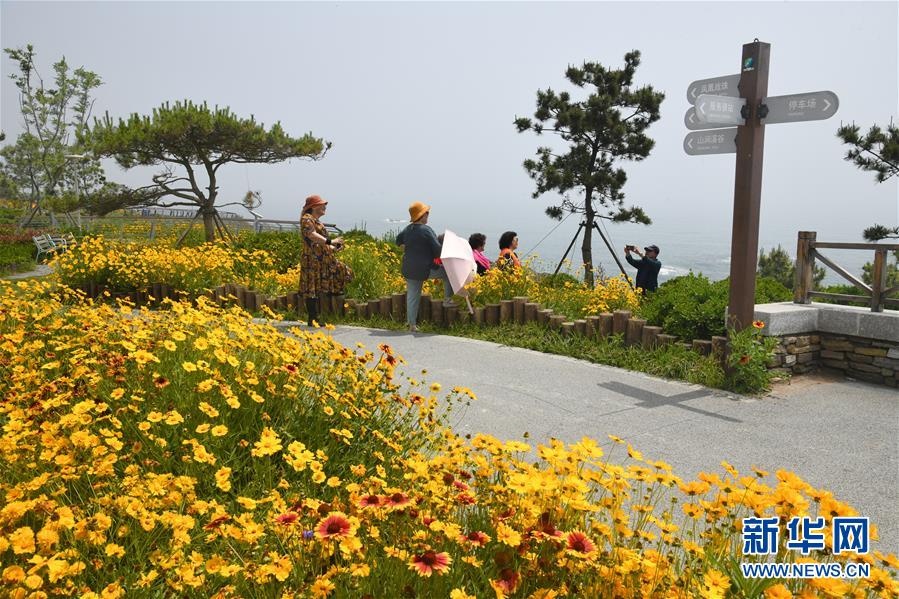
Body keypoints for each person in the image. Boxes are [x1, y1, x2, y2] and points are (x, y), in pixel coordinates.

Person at [396, 201, 454, 332]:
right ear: (421, 215)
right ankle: (447, 299)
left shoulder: (408, 229)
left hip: (408, 268)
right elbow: (437, 251)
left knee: (412, 296)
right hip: (424, 269)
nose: (428, 215)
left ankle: (412, 325)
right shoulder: (426, 230)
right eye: (427, 213)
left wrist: (406, 248)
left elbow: (398, 240)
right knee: (447, 273)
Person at [299, 195, 352, 326]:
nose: (325, 207)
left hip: (321, 259)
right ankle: (313, 318)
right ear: (314, 206)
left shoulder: (315, 220)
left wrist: (333, 247)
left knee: (319, 286)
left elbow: (319, 243)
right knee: (312, 287)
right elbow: (311, 235)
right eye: (322, 204)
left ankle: (318, 316)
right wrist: (331, 241)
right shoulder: (307, 219)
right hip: (312, 259)